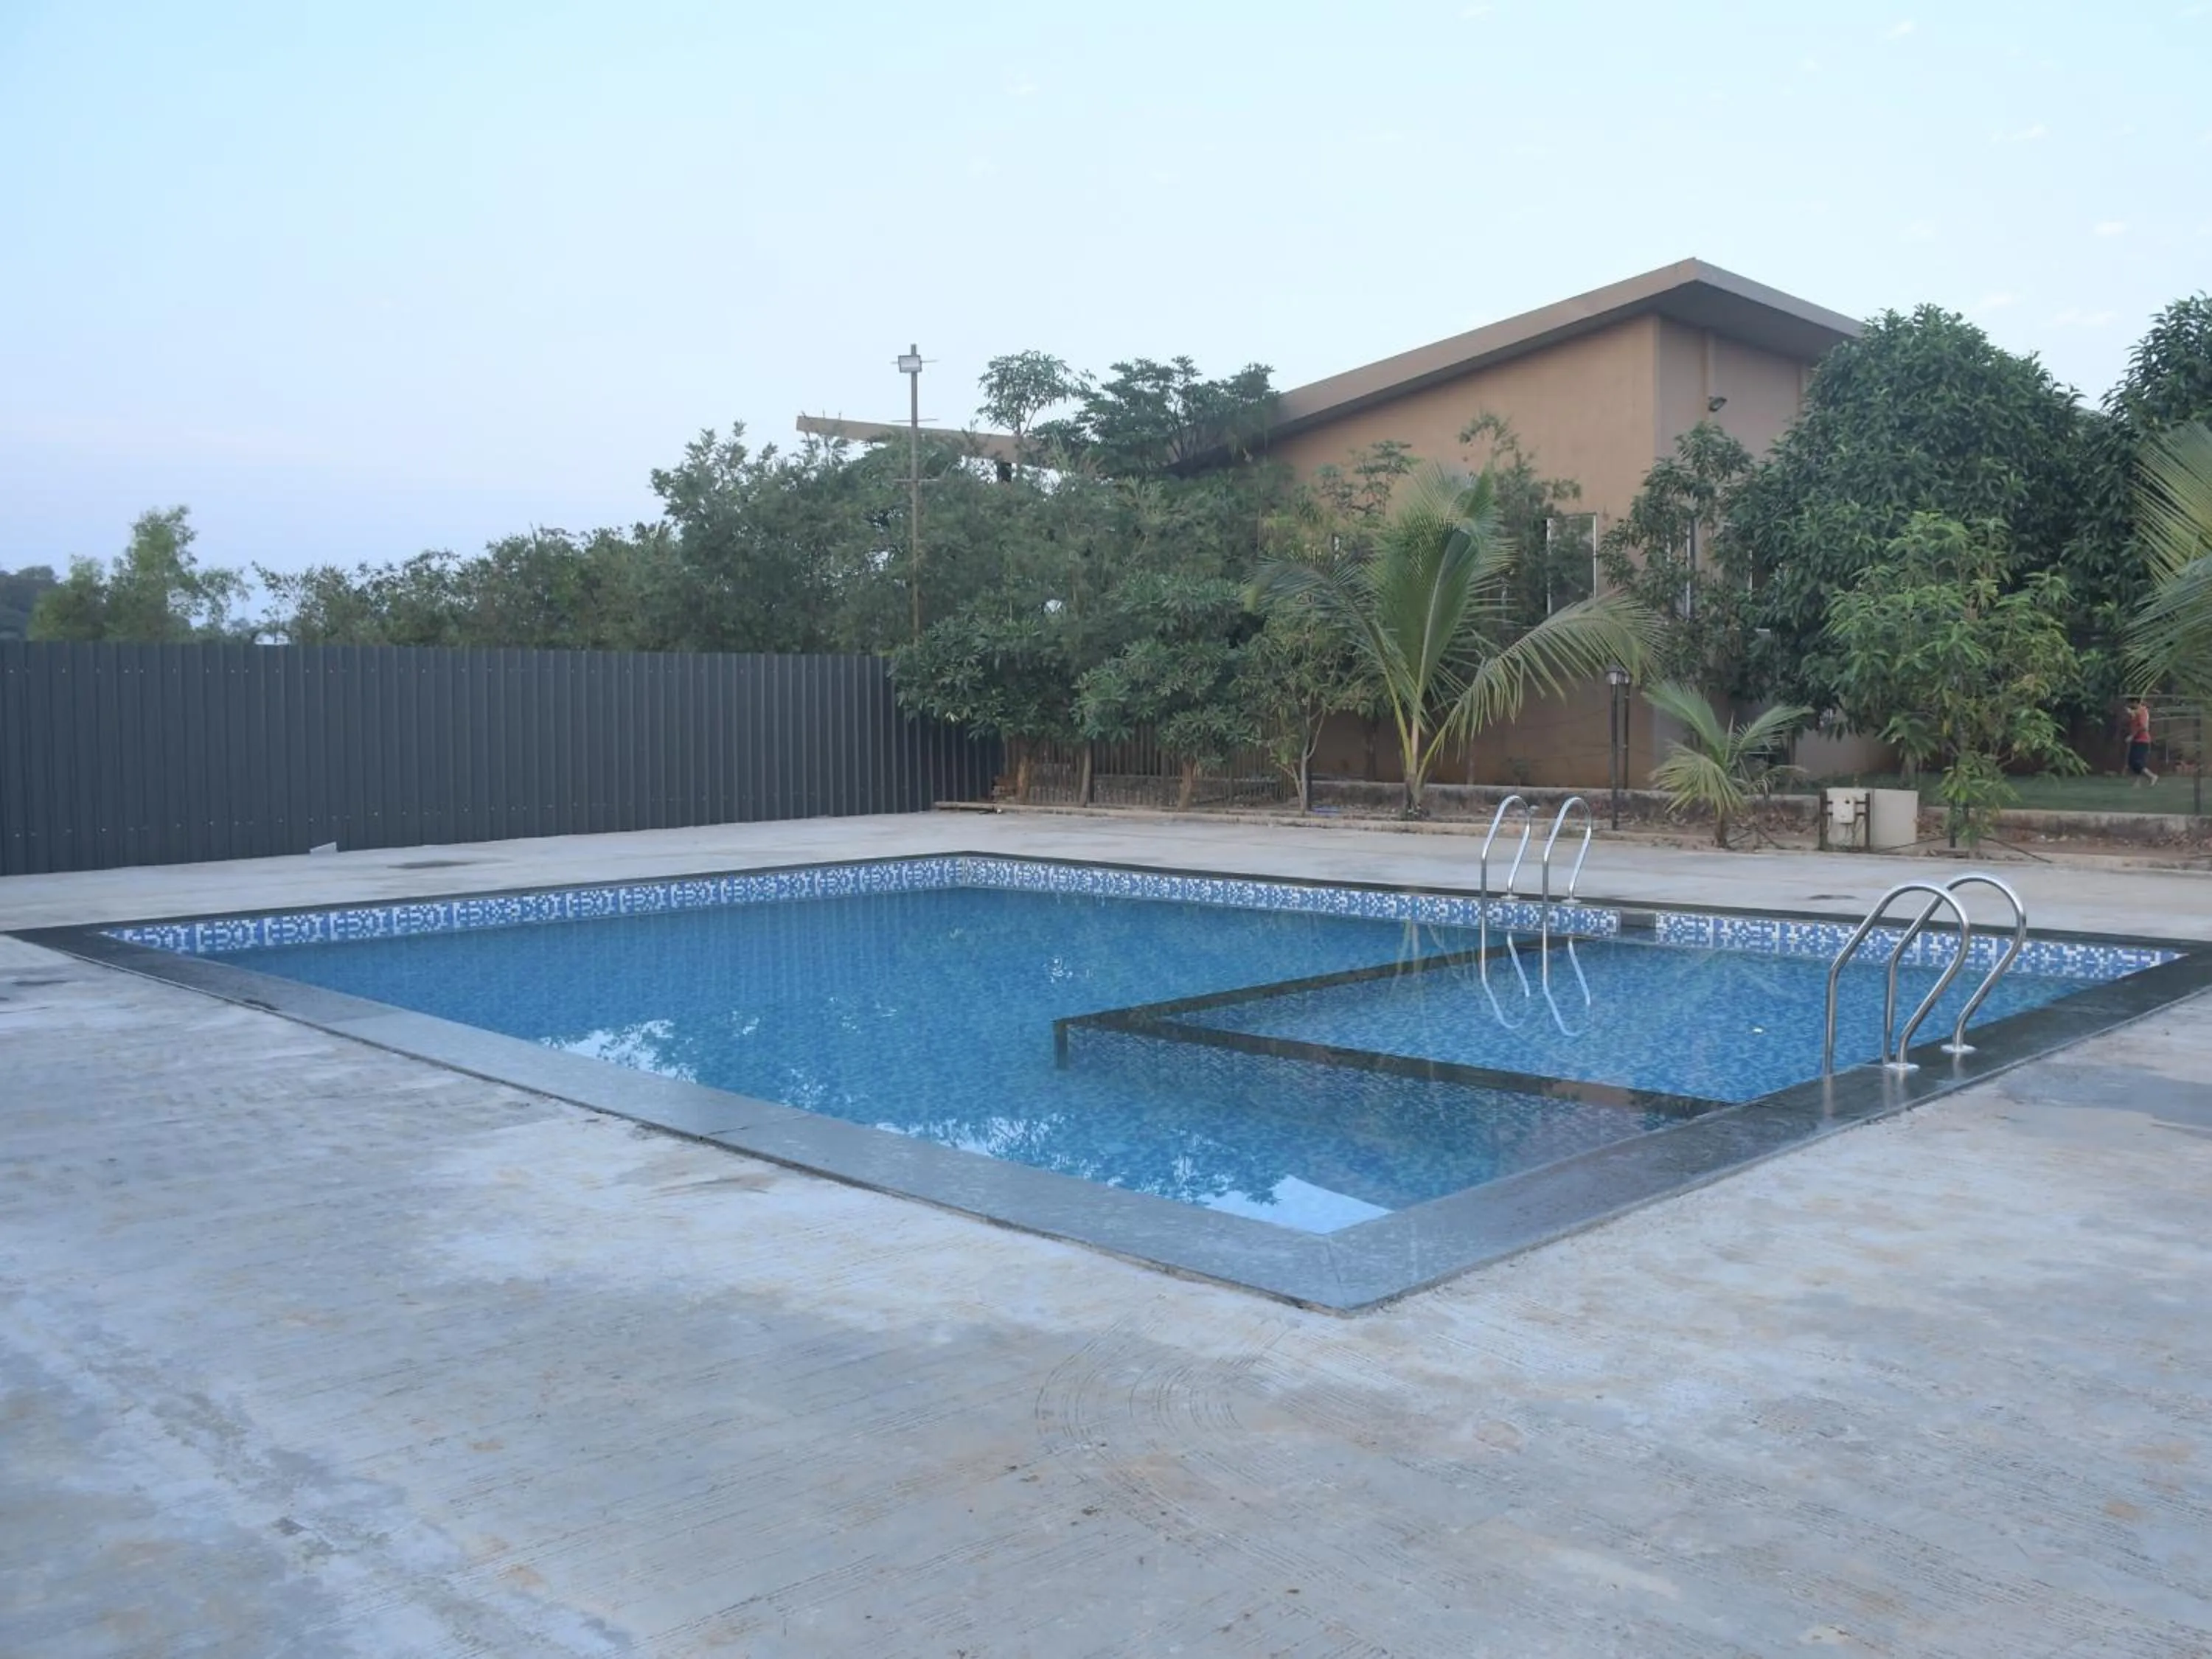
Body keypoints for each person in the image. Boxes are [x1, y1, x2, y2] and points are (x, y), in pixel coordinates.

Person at [2126, 697, 2158, 787]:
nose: (2129, 706)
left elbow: (2144, 727)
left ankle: (2152, 776)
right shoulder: (2137, 712)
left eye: (2130, 703)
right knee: (2132, 762)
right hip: (2136, 740)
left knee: (2137, 762)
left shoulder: (2142, 712)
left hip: (2142, 740)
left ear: (2136, 702)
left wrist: (2132, 736)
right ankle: (2137, 782)